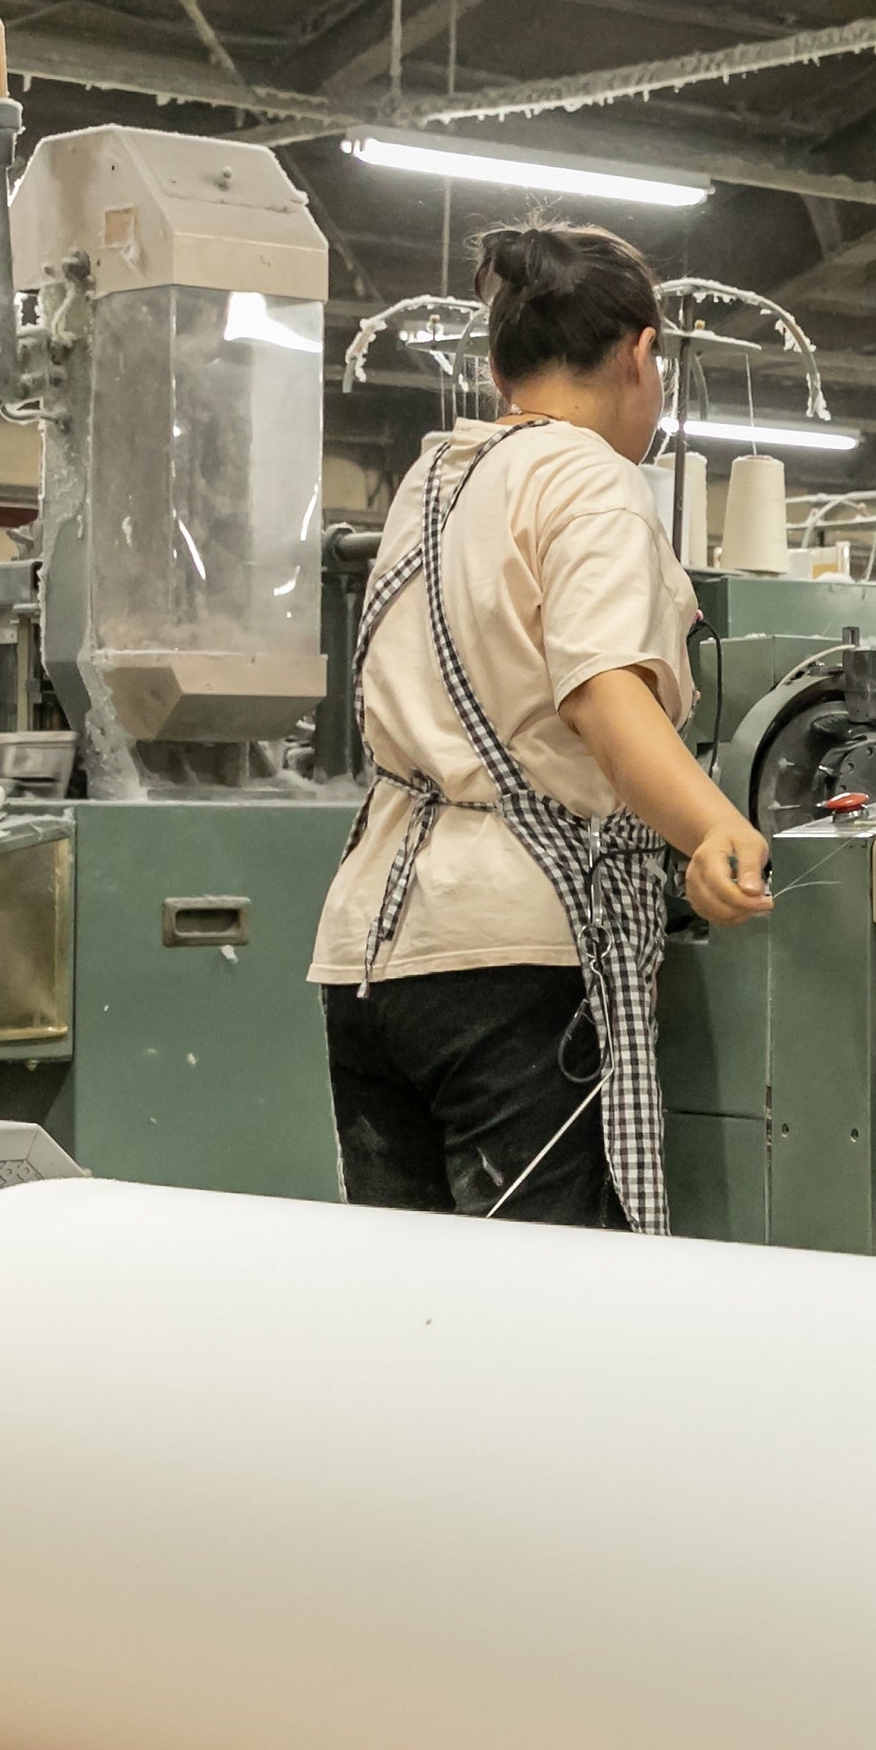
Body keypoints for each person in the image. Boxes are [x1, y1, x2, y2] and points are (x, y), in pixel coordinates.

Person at [307, 221, 775, 1231]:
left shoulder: (434, 480)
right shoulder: (590, 479)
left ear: (497, 369)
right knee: (544, 1302)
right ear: (642, 354)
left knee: (406, 1294)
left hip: (370, 959)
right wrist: (713, 829)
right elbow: (603, 691)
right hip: (510, 962)